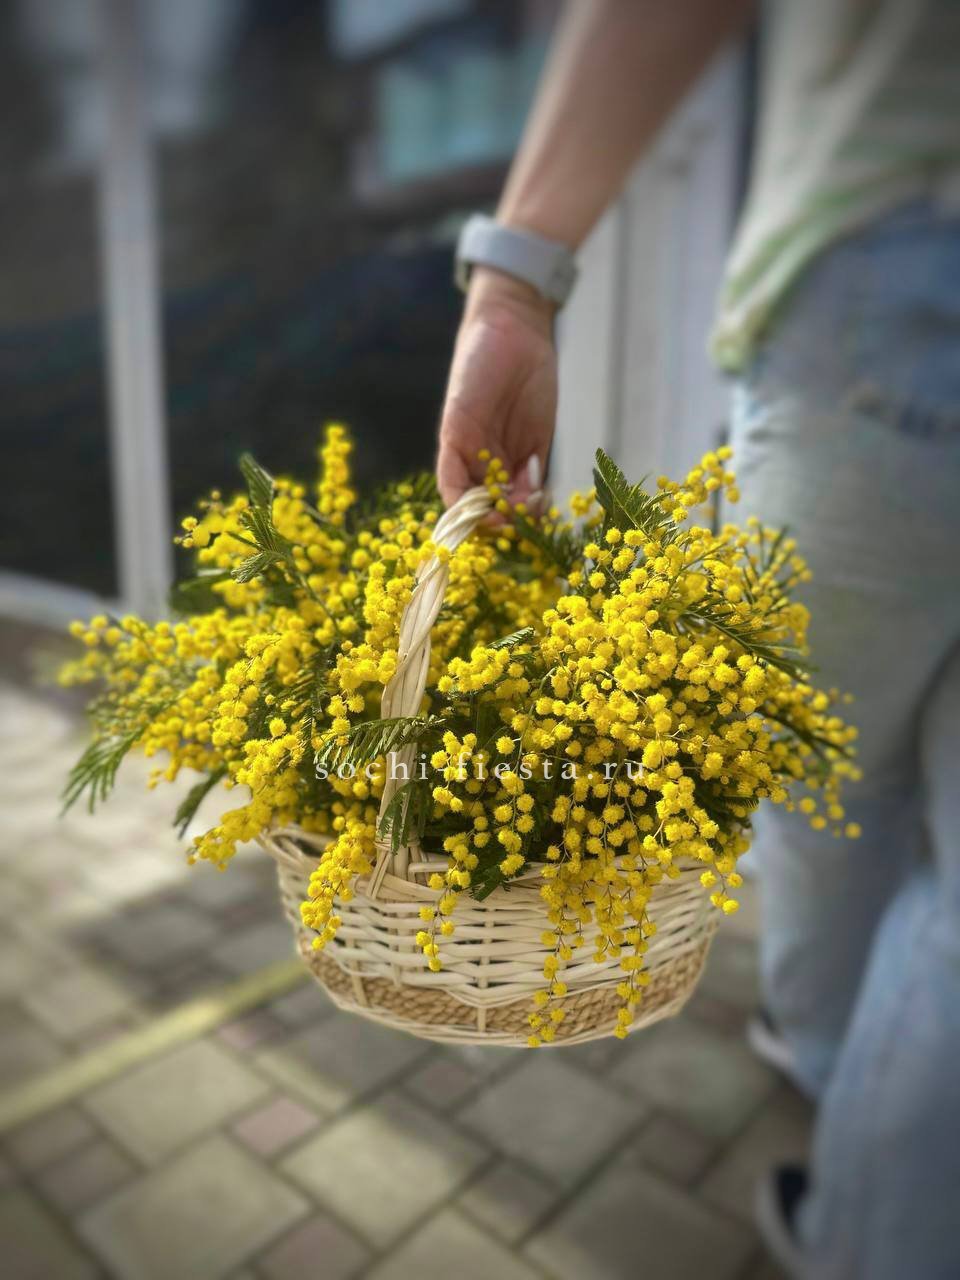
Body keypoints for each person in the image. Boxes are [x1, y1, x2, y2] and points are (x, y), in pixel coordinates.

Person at [435, 2, 960, 1277]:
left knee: (828, 777)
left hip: (893, 269)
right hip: (896, 300)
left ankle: (833, 1095)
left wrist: (513, 279)